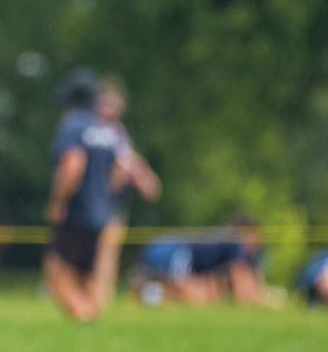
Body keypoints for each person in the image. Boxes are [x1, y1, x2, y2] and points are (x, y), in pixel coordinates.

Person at [43, 69, 131, 323]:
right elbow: (120, 169)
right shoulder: (105, 129)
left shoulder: (73, 125)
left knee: (55, 268)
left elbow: (73, 165)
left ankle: (84, 315)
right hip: (101, 213)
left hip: (76, 211)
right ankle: (92, 317)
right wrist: (105, 199)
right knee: (86, 273)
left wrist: (58, 201)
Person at [90, 77, 161, 307]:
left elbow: (129, 160)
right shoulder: (93, 128)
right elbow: (122, 164)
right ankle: (94, 293)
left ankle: (103, 294)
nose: (112, 108)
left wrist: (144, 177)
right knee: (97, 249)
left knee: (109, 249)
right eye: (107, 102)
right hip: (96, 200)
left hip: (112, 203)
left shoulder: (118, 132)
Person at [136, 222, 272, 306]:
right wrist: (259, 300)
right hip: (179, 253)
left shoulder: (227, 240)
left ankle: (147, 292)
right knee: (194, 297)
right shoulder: (234, 242)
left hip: (174, 251)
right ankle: (146, 293)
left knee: (197, 295)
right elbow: (239, 280)